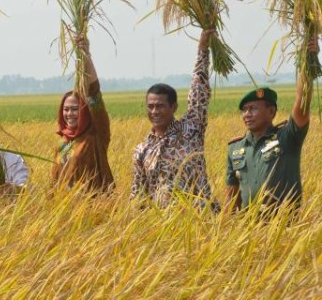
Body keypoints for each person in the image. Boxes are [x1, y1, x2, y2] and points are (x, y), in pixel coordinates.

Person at [225, 37, 319, 213]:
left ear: (271, 112)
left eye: (253, 109)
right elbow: (231, 196)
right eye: (244, 110)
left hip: (285, 228)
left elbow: (302, 102)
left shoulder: (287, 137)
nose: (247, 114)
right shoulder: (235, 148)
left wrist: (307, 61)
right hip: (248, 232)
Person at [131, 29, 218, 209]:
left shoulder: (191, 129)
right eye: (151, 106)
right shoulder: (142, 150)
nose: (155, 111)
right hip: (165, 228)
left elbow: (198, 90)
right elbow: (138, 193)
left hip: (202, 219)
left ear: (173, 107)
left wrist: (203, 48)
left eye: (160, 106)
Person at [50, 35, 115, 193]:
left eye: (75, 109)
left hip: (96, 210)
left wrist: (86, 55)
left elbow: (94, 93)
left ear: (84, 110)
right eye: (66, 109)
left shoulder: (95, 135)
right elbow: (54, 183)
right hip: (66, 212)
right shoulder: (63, 144)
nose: (69, 114)